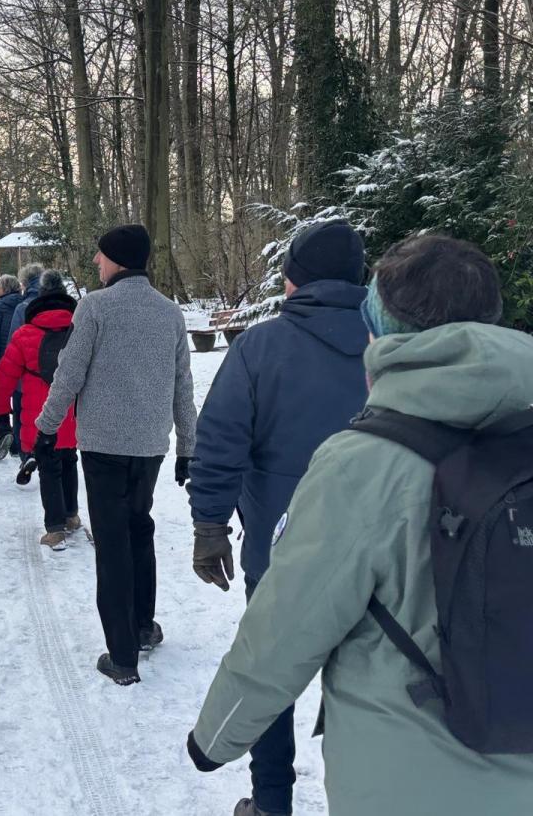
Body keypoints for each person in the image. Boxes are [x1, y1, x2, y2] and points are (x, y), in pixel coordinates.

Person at [187, 235, 533, 816]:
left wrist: (212, 740)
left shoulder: (362, 461)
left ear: (384, 328)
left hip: (406, 777)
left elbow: (281, 637)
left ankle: (271, 800)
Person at [187, 220, 368, 816]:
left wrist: (210, 526)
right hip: (380, 555)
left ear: (294, 280)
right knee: (369, 683)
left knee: (269, 675)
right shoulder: (393, 347)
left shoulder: (259, 348)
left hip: (280, 548)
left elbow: (220, 441)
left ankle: (271, 802)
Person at [36, 226, 196, 686]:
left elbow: (69, 373)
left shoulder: (94, 307)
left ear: (118, 259)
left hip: (104, 445)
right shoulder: (169, 312)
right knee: (139, 528)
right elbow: (182, 385)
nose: (96, 262)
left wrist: (46, 426)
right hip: (149, 445)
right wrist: (188, 447)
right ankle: (142, 626)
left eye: (101, 255)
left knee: (112, 543)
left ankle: (122, 657)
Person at [0, 270, 80, 550]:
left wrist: (0, 415)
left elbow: (3, 379)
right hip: (73, 413)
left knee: (49, 468)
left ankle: (55, 529)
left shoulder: (24, 335)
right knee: (69, 460)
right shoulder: (80, 333)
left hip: (38, 416)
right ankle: (71, 515)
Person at [6, 263, 45, 460]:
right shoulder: (58, 303)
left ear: (25, 283)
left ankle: (26, 455)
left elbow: (13, 345)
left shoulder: (22, 308)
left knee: (22, 417)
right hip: (51, 376)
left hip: (25, 377)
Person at [0, 274, 22, 458]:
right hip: (21, 361)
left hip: (0, 362)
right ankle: (17, 443)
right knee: (19, 400)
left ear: (4, 289)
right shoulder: (25, 305)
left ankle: (4, 432)